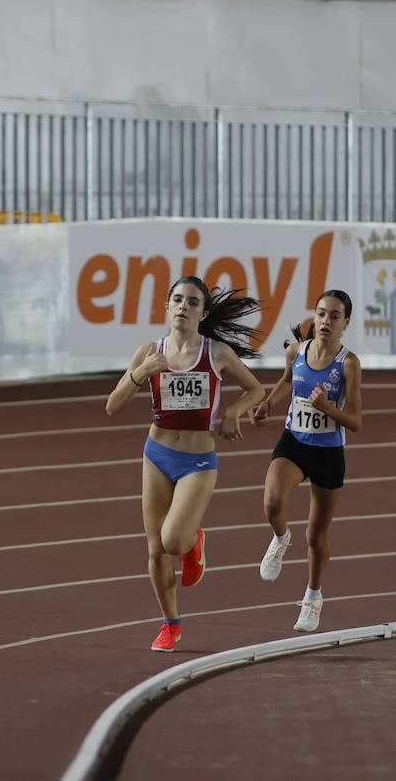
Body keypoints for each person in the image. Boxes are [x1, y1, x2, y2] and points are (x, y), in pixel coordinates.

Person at [106, 275, 267, 653]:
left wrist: (234, 412)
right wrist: (139, 373)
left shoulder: (217, 353)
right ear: (166, 307)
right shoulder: (149, 351)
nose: (183, 306)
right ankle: (170, 623)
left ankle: (194, 541)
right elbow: (112, 406)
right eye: (176, 299)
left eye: (192, 302)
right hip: (156, 454)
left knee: (173, 540)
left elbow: (256, 389)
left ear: (203, 313)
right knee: (155, 550)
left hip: (198, 459)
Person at [250, 290, 364, 633]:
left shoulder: (348, 363)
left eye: (334, 316)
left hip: (328, 452)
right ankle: (282, 538)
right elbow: (287, 380)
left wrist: (328, 408)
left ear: (346, 323)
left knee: (316, 536)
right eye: (321, 313)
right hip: (295, 442)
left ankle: (313, 597)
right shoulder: (296, 351)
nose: (325, 321)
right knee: (272, 500)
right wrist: (269, 403)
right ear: (313, 317)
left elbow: (355, 421)